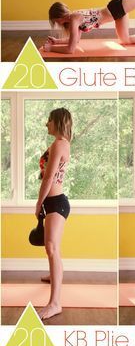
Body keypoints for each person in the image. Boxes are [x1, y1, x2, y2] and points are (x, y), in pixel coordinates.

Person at [35, 108, 71, 320]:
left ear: (57, 121)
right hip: (53, 201)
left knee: (52, 248)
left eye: (48, 120)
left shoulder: (59, 144)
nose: (46, 124)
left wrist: (39, 203)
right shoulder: (60, 143)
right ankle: (53, 274)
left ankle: (55, 303)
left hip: (56, 203)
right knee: (51, 248)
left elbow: (48, 178)